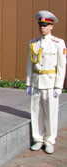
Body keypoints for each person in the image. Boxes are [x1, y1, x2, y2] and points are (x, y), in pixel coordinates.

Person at [26, 10, 66, 154]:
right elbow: (30, 65)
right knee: (36, 112)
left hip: (50, 84)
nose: (42, 27)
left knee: (51, 113)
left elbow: (61, 66)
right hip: (37, 82)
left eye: (45, 25)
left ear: (51, 27)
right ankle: (38, 139)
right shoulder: (33, 43)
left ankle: (49, 140)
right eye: (40, 25)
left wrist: (58, 86)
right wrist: (29, 83)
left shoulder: (58, 43)